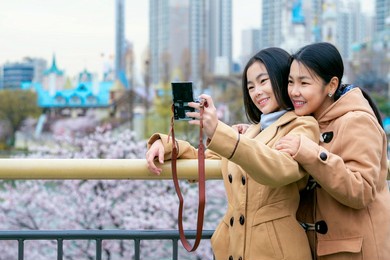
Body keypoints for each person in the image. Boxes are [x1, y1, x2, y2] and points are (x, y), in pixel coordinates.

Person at [146, 47, 319, 260]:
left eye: (263, 81)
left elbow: (278, 169)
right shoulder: (251, 131)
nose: (257, 92)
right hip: (236, 247)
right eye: (250, 86)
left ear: (283, 79)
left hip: (276, 251)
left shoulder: (303, 126)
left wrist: (220, 130)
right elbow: (207, 160)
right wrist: (167, 145)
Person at [275, 42, 390, 260]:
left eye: (304, 82)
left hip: (358, 252)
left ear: (331, 85)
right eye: (290, 82)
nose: (294, 91)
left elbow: (362, 189)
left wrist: (310, 154)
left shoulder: (357, 121)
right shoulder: (307, 123)